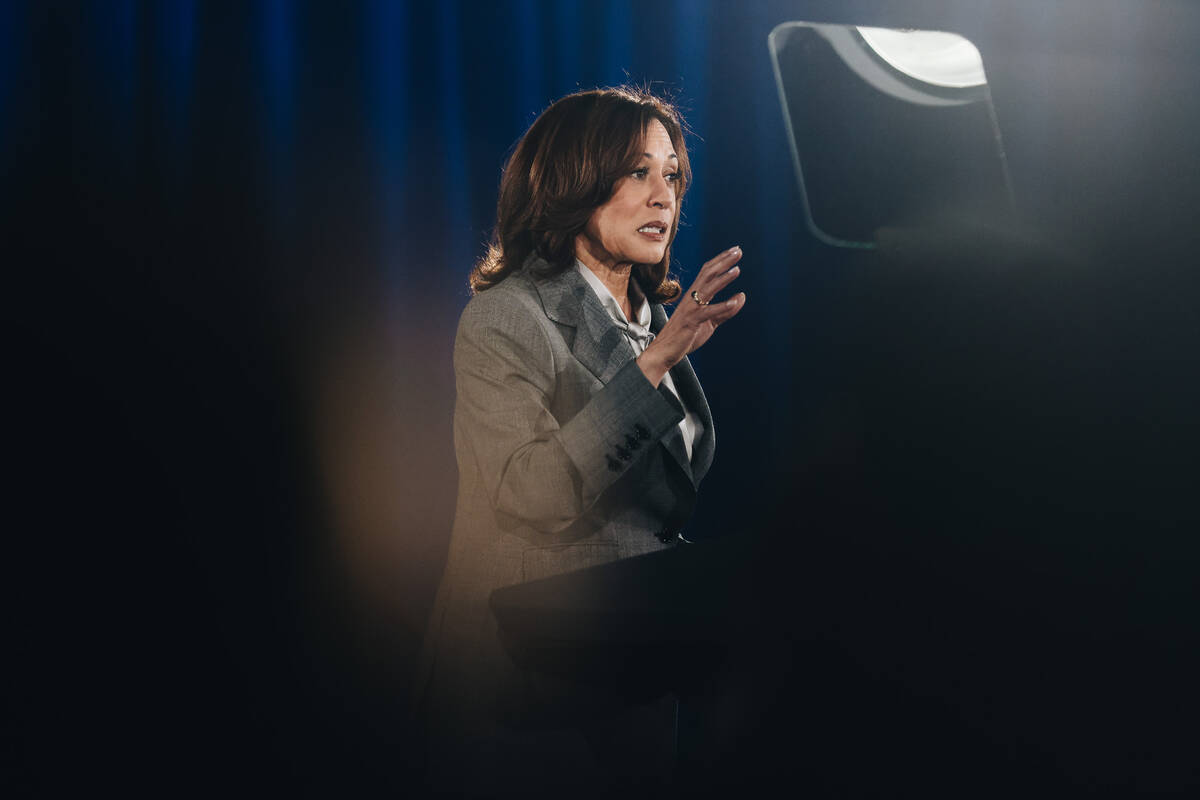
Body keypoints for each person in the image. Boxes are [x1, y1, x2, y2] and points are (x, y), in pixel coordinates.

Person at [412, 86, 745, 794]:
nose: (663, 196)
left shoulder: (655, 321)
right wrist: (653, 367)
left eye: (673, 175)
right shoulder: (508, 319)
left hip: (635, 691)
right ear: (573, 179)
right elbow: (529, 492)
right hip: (531, 695)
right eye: (637, 172)